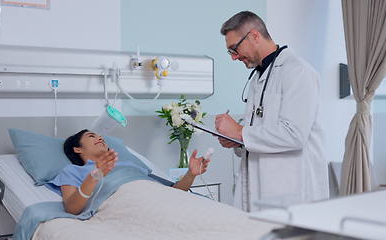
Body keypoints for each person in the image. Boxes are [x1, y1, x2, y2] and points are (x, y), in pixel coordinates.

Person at [215, 11, 328, 211]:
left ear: (254, 36)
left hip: (293, 191)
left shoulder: (298, 71)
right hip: (259, 188)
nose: (234, 57)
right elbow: (261, 134)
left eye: (234, 49)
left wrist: (240, 133)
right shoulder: (258, 78)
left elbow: (294, 135)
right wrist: (236, 140)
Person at [49, 129, 210, 215]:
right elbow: (71, 208)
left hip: (162, 201)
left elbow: (172, 193)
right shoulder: (73, 170)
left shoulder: (128, 165)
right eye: (92, 136)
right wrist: (95, 176)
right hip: (128, 205)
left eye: (101, 137)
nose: (100, 138)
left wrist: (190, 174)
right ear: (77, 148)